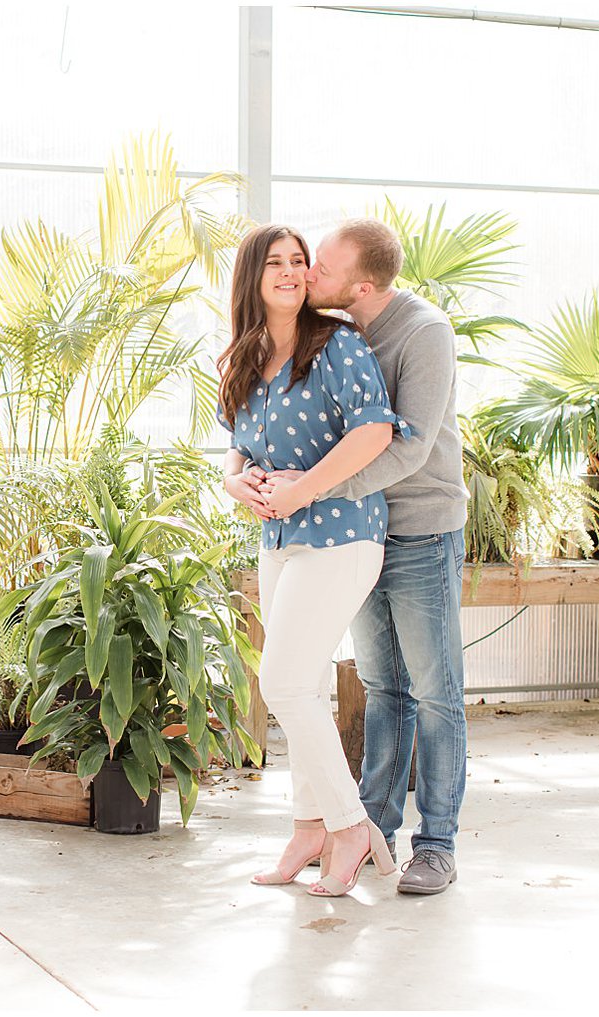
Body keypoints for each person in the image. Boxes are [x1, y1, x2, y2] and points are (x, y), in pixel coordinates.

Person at [248, 218, 468, 895]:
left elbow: (408, 446)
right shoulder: (339, 332)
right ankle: (372, 823)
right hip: (358, 530)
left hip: (421, 528)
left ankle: (436, 844)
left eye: (322, 267)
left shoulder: (422, 332)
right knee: (383, 688)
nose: (308, 274)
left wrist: (314, 492)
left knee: (434, 692)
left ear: (362, 284)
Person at [217, 223, 411, 897]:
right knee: (304, 686)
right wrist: (233, 480)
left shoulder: (338, 345)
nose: (293, 271)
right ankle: (307, 826)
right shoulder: (245, 355)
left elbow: (375, 429)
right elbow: (237, 445)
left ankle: (352, 827)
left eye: (300, 261)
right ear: (252, 276)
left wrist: (303, 487)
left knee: (285, 684)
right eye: (276, 262)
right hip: (278, 542)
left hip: (342, 534)